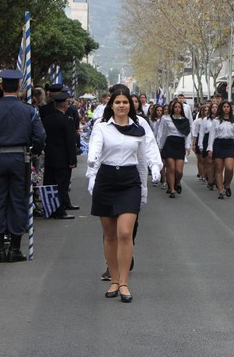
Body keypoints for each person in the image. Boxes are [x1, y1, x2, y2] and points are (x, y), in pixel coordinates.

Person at [86, 87, 162, 303]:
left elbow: (147, 153)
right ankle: (114, 279)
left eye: (125, 102)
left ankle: (125, 282)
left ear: (131, 105)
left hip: (129, 182)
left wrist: (154, 170)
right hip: (106, 179)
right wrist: (91, 167)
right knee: (110, 235)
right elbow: (95, 150)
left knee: (125, 232)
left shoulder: (139, 127)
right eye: (117, 102)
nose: (121, 105)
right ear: (111, 105)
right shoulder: (101, 127)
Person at [0, 69, 46, 263]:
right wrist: (34, 152)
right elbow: (40, 136)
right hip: (20, 159)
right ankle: (15, 248)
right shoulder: (29, 110)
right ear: (19, 88)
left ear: (0, 87)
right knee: (18, 200)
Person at [42, 92, 78, 219]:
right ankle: (60, 210)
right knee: (62, 185)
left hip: (50, 157)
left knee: (50, 183)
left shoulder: (46, 119)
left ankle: (51, 208)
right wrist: (72, 159)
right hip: (63, 158)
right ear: (65, 105)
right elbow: (70, 142)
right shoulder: (66, 121)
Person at [156, 100, 191, 198]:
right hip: (169, 143)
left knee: (179, 171)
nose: (177, 109)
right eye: (175, 107)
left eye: (179, 107)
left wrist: (187, 146)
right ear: (172, 108)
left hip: (180, 144)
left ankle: (178, 181)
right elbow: (162, 132)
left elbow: (187, 134)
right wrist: (160, 147)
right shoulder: (165, 118)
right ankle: (172, 189)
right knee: (171, 167)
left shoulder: (185, 120)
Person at [207, 101, 234, 199]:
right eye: (224, 107)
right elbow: (212, 135)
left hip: (229, 144)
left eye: (228, 107)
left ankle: (227, 185)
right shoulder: (216, 121)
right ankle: (221, 190)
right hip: (218, 144)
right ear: (221, 108)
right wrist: (210, 148)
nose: (226, 108)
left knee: (229, 167)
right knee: (219, 168)